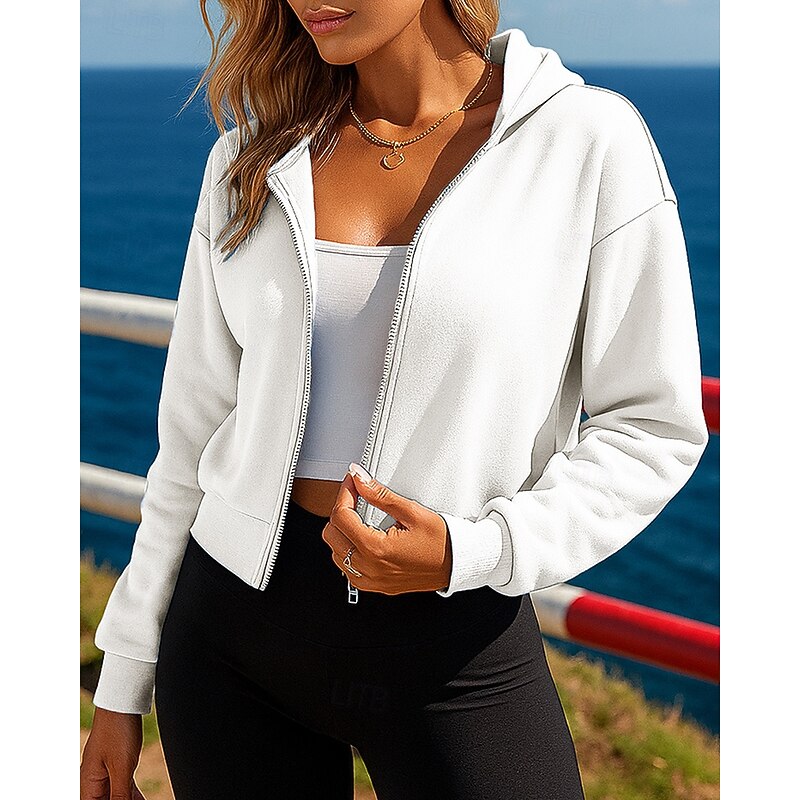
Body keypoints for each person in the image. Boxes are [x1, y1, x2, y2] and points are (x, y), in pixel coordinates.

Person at [80, 1, 709, 798]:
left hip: (454, 641)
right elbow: (190, 440)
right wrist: (122, 679)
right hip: (232, 644)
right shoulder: (250, 158)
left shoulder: (584, 141)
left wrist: (471, 551)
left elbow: (653, 424)